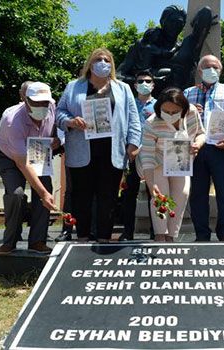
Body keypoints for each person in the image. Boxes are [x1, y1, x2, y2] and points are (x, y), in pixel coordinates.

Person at [56, 48, 141, 243]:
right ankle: (83, 237)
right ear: (90, 64)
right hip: (81, 150)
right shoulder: (74, 86)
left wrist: (133, 143)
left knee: (108, 197)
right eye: (98, 59)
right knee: (81, 197)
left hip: (112, 151)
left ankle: (103, 238)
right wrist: (70, 121)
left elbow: (133, 119)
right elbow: (59, 113)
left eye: (106, 59)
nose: (102, 62)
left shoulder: (123, 88)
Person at [184, 54, 224, 241]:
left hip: (222, 147)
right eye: (206, 67)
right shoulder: (187, 93)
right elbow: (177, 118)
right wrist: (188, 110)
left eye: (215, 67)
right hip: (196, 148)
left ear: (220, 70)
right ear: (199, 70)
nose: (211, 70)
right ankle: (201, 233)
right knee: (197, 194)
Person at [0, 81, 58, 255]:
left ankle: (37, 241)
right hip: (8, 157)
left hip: (36, 152)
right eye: (36, 102)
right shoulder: (12, 120)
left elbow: (57, 130)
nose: (42, 106)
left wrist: (58, 140)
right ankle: (10, 241)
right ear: (26, 100)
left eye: (45, 102)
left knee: (46, 190)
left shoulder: (52, 108)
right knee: (16, 194)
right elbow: (22, 163)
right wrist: (43, 193)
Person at [138, 87, 205, 242]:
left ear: (183, 109)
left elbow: (201, 133)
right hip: (157, 163)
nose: (170, 115)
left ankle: (171, 236)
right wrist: (150, 184)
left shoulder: (191, 112)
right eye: (165, 111)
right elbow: (147, 156)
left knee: (181, 196)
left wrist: (198, 144)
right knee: (161, 197)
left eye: (174, 111)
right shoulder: (151, 123)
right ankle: (160, 235)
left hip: (180, 160)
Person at [119, 70, 157, 241]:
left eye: (148, 81)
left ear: (153, 84)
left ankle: (156, 231)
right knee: (128, 195)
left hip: (152, 156)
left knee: (154, 194)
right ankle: (127, 232)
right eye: (140, 81)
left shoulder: (159, 105)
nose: (144, 84)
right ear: (134, 85)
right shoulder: (128, 105)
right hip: (131, 155)